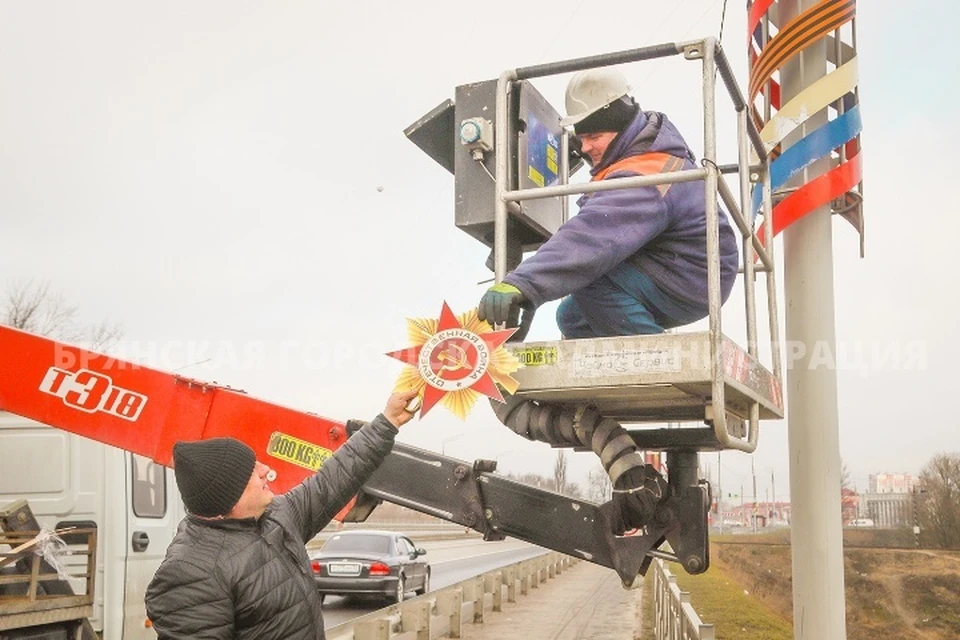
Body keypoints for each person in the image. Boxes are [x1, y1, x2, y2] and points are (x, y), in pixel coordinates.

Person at [478, 67, 739, 339]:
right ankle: (624, 375)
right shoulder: (639, 156)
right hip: (673, 269)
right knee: (573, 317)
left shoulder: (646, 173)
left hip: (691, 277)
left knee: (593, 283)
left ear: (621, 127)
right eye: (582, 138)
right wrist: (532, 292)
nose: (586, 147)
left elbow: (591, 237)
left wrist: (523, 283)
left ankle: (659, 360)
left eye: (594, 137)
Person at [145, 388, 420, 640]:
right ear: (228, 496)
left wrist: (388, 421)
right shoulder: (190, 573)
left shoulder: (276, 516)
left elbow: (334, 479)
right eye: (251, 470)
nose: (265, 469)